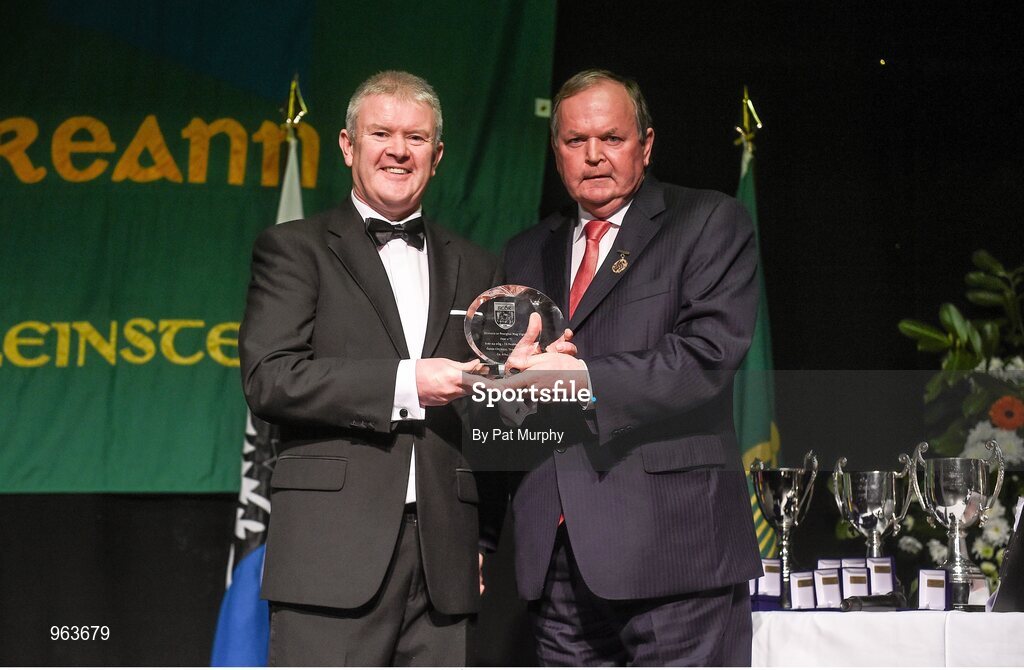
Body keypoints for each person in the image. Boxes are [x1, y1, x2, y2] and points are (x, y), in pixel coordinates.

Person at [500, 69, 763, 666]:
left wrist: (582, 381)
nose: (593, 155)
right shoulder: (524, 250)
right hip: (556, 557)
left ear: (645, 145)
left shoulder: (707, 221)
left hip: (674, 554)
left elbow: (706, 356)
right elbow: (508, 396)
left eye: (612, 138)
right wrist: (505, 384)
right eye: (575, 140)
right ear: (556, 151)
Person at [239, 70, 501, 666]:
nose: (398, 150)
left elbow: (491, 411)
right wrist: (407, 384)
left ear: (437, 154)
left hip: (445, 561)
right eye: (381, 133)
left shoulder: (479, 265)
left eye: (416, 137)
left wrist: (535, 377)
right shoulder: (294, 248)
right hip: (331, 553)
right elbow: (270, 378)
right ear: (347, 145)